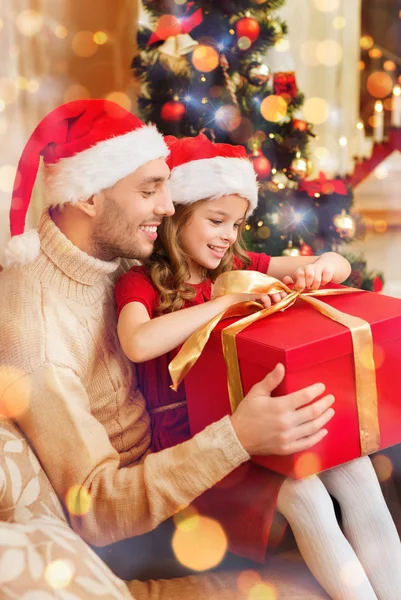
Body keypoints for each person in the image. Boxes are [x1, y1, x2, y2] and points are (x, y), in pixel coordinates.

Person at [1, 99, 338, 600]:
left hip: (179, 461)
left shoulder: (108, 251)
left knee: (358, 461)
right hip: (137, 530)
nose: (167, 205)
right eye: (150, 189)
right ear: (90, 196)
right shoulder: (42, 333)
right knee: (316, 492)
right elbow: (94, 508)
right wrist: (237, 438)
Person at [115, 133, 401, 600]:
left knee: (359, 473)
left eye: (237, 222)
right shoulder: (142, 281)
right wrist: (224, 301)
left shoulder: (243, 265)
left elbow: (338, 267)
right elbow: (137, 342)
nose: (228, 234)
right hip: (197, 445)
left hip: (258, 426)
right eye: (215, 220)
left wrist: (319, 269)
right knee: (304, 494)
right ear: (178, 214)